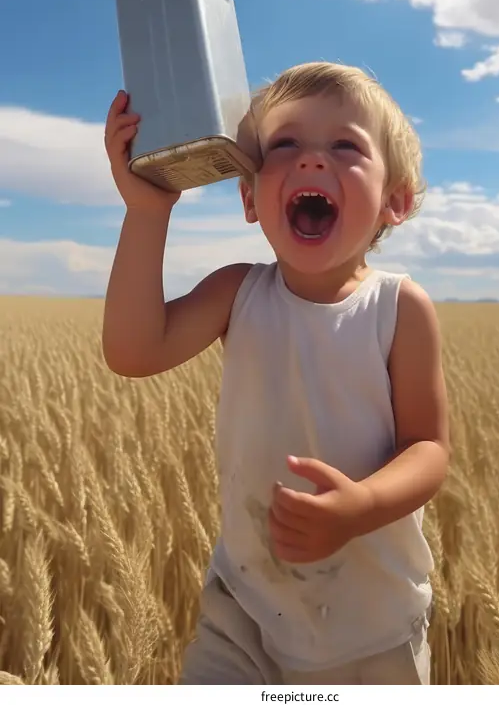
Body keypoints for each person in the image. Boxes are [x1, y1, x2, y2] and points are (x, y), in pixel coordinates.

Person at [102, 61, 450, 685]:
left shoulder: (398, 307)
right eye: (284, 145)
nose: (311, 161)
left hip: (372, 625)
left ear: (394, 202)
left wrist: (361, 506)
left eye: (345, 146)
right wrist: (147, 212)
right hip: (244, 614)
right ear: (247, 196)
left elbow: (427, 449)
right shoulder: (236, 292)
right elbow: (133, 352)